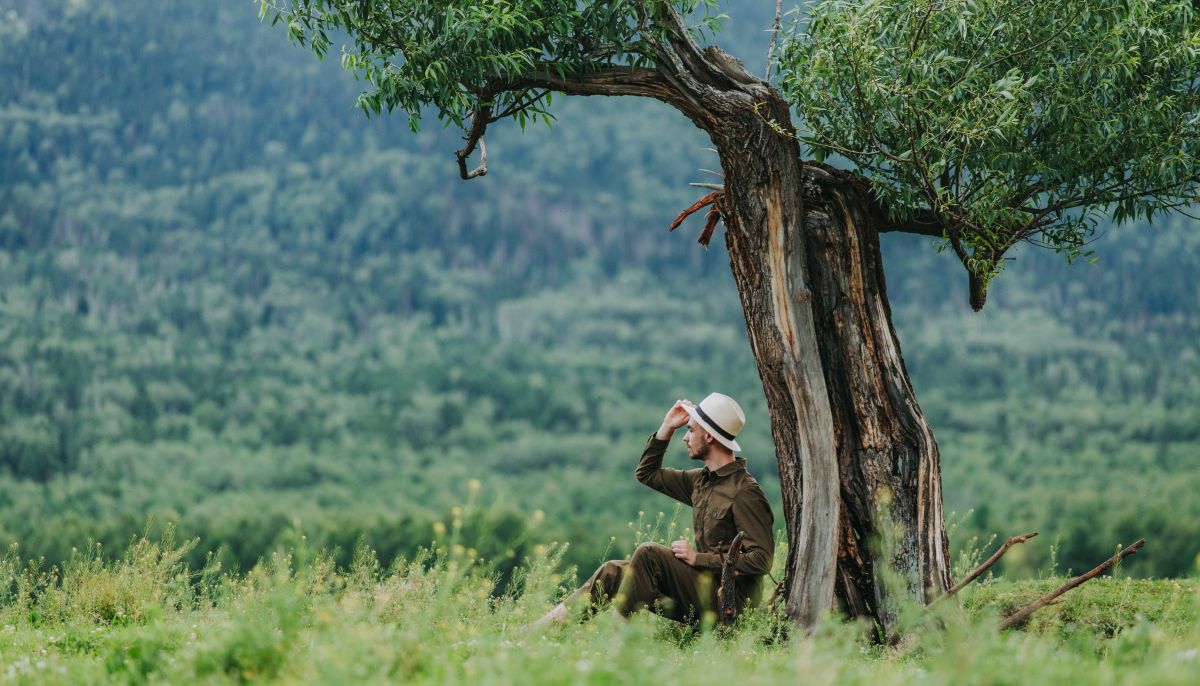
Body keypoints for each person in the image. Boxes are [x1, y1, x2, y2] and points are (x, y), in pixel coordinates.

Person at [535, 393, 774, 627]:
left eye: (690, 430)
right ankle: (540, 631)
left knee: (649, 554)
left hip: (728, 604)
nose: (686, 437)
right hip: (701, 587)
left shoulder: (744, 491)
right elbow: (647, 474)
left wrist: (698, 558)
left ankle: (618, 643)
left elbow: (762, 560)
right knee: (614, 573)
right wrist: (667, 427)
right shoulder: (702, 481)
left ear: (709, 437)